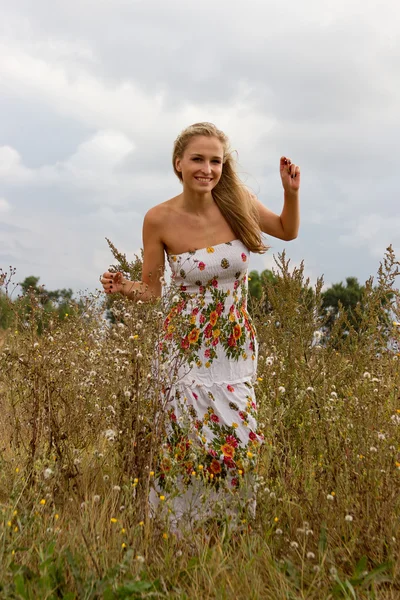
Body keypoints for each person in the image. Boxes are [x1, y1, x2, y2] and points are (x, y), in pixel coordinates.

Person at [100, 122, 300, 527]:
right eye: (198, 159)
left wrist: (290, 194)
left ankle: (230, 530)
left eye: (216, 161)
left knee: (237, 438)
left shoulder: (238, 201)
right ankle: (179, 531)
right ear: (179, 163)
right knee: (184, 440)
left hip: (233, 343)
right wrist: (124, 288)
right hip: (183, 347)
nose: (207, 168)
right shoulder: (158, 218)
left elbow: (286, 230)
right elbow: (152, 290)